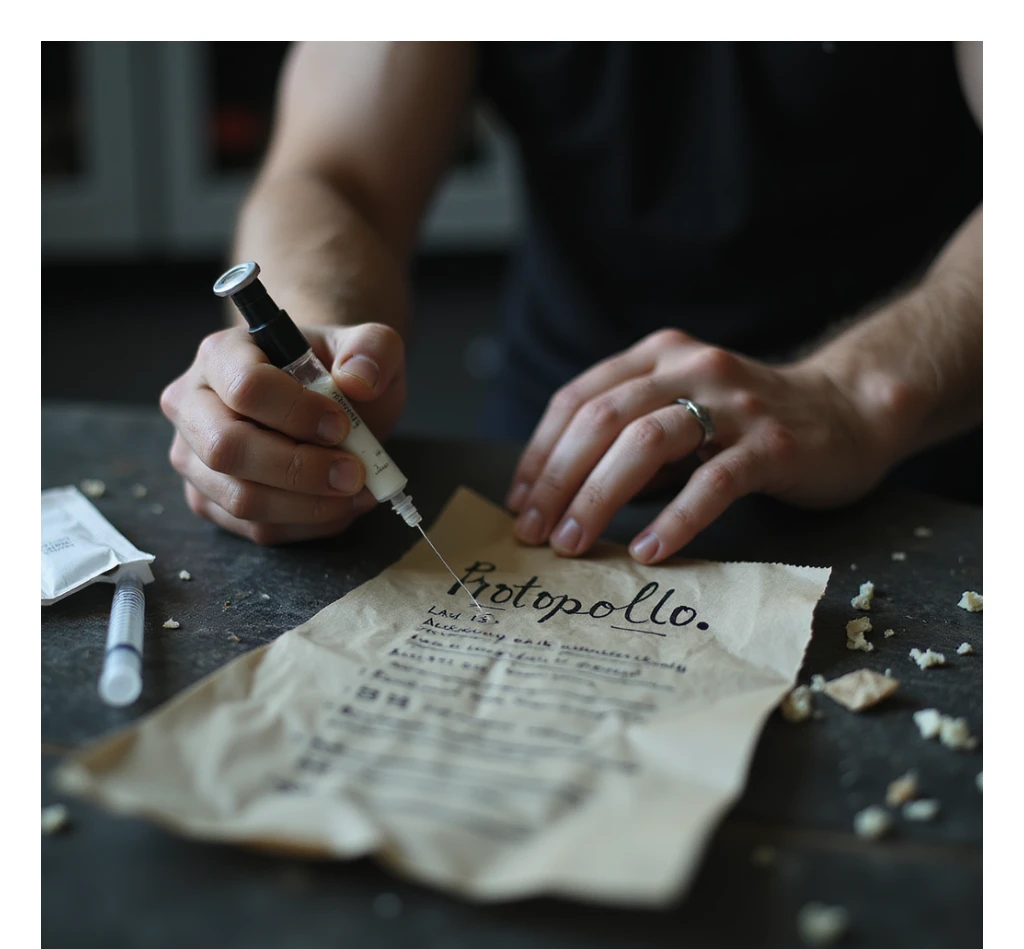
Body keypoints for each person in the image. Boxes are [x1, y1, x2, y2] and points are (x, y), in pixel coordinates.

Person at [160, 42, 982, 564]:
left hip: (923, 450)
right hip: (552, 454)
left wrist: (853, 397)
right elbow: (335, 175)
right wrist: (313, 347)